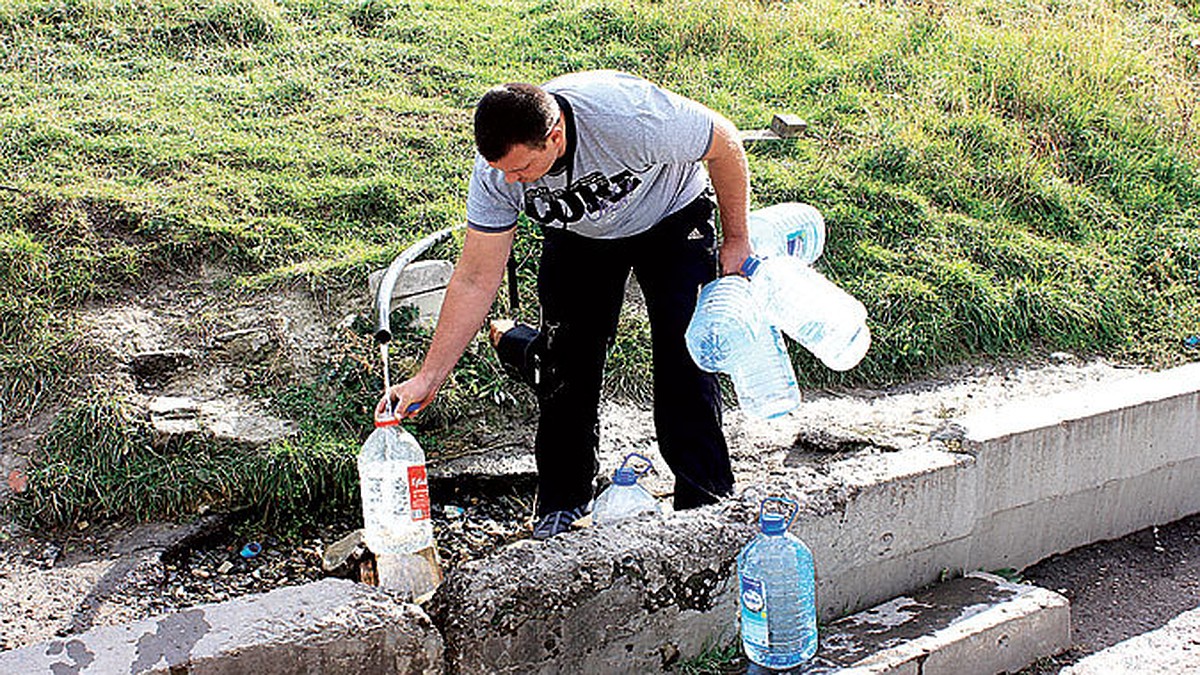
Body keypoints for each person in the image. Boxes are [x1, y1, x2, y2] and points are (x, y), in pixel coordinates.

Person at [377, 70, 753, 540]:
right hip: (579, 235)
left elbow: (725, 143)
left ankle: (706, 503)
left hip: (671, 216)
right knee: (564, 365)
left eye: (520, 171)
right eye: (502, 172)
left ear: (554, 136)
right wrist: (430, 375)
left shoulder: (629, 118)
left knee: (686, 359)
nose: (510, 181)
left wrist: (737, 237)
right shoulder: (497, 175)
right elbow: (475, 277)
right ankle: (564, 502)